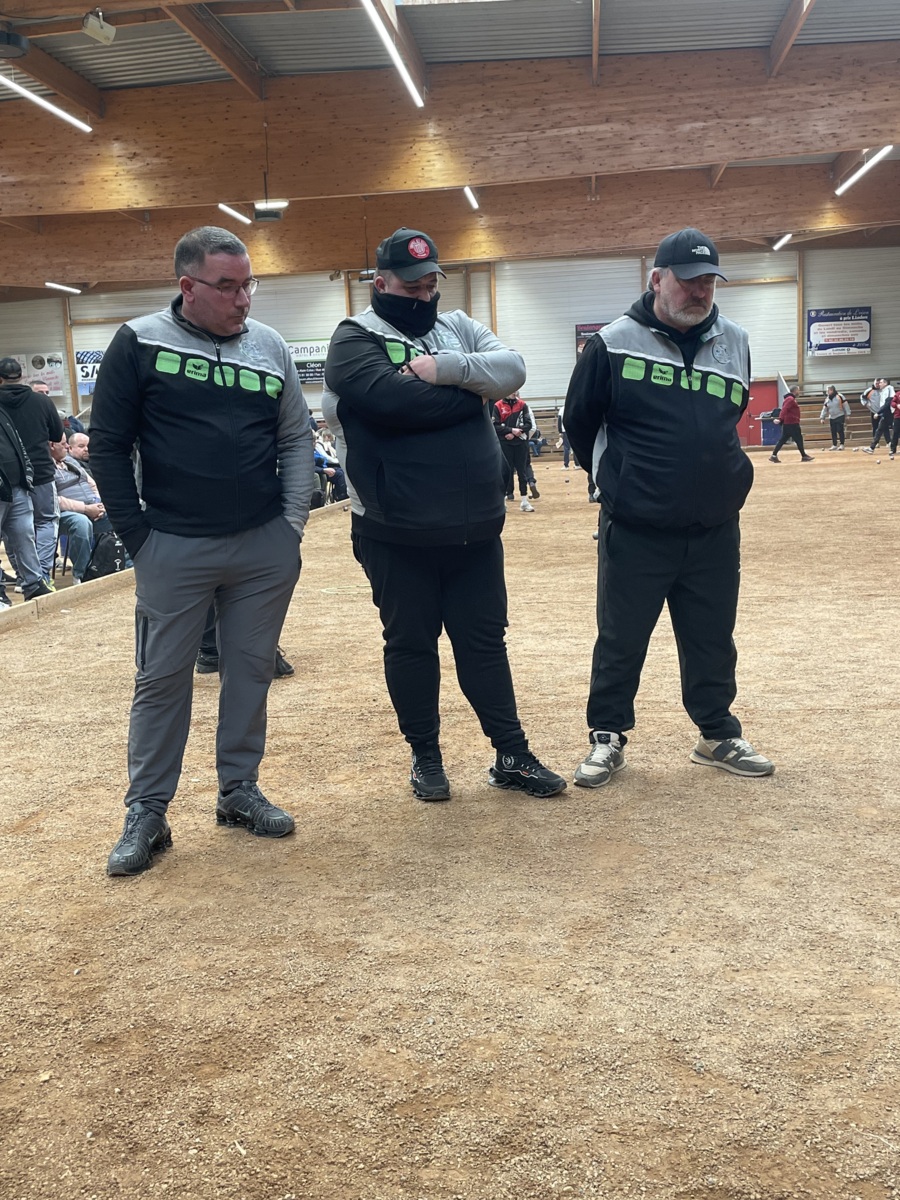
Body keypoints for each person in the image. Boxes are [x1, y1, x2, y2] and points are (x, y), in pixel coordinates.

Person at [89, 225, 315, 877]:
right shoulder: (139, 342)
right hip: (172, 546)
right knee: (161, 680)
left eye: (249, 285)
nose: (243, 299)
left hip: (264, 547)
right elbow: (108, 446)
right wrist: (138, 538)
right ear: (188, 286)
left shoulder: (269, 346)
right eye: (227, 286)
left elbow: (296, 437)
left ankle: (238, 791)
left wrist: (291, 526)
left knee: (250, 670)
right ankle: (147, 812)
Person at [322, 226, 565, 802]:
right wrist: (473, 392)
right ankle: (425, 756)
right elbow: (390, 400)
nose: (424, 294)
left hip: (474, 525)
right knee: (411, 644)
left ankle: (511, 753)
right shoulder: (354, 336)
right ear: (380, 282)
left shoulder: (457, 326)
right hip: (394, 529)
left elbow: (513, 369)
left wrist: (447, 370)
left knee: (484, 642)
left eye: (431, 283)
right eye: (412, 286)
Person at [564, 226, 774, 787]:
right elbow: (579, 421)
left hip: (714, 526)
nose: (699, 291)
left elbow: (728, 418)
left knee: (712, 636)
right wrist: (617, 483)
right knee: (621, 637)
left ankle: (717, 734)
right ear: (657, 279)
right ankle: (607, 737)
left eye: (708, 281)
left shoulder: (735, 340)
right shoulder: (612, 343)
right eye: (688, 280)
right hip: (636, 527)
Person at [0, 357, 64, 580]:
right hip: (41, 471)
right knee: (46, 521)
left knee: (12, 528)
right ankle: (41, 574)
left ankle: (22, 575)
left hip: (9, 476)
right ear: (22, 376)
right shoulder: (42, 402)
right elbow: (57, 434)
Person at [0, 404, 51, 604]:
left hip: (17, 487)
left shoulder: (2, 412)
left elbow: (18, 444)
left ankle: (34, 584)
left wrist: (27, 472)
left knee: (25, 535)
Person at [50, 434, 119, 582]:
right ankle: (80, 575)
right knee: (81, 523)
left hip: (92, 506)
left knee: (120, 512)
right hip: (64, 513)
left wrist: (99, 503)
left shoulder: (71, 461)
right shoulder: (45, 467)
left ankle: (122, 566)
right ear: (51, 446)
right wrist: (86, 508)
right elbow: (54, 500)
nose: (67, 447)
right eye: (63, 444)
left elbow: (92, 484)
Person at [493, 392, 536, 511]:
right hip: (505, 444)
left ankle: (524, 501)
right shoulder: (498, 406)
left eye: (516, 390)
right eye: (512, 390)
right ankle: (502, 501)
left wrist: (516, 432)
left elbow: (528, 424)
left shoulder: (522, 405)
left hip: (520, 443)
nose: (514, 392)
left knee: (522, 472)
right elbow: (495, 426)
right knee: (505, 472)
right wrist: (511, 430)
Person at [769, 385, 813, 463]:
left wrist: (781, 419)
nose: (799, 392)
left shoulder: (789, 399)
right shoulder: (790, 399)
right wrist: (780, 418)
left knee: (783, 440)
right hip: (792, 423)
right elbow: (784, 409)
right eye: (798, 390)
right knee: (799, 439)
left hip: (788, 423)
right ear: (795, 391)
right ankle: (804, 456)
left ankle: (774, 455)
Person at [862, 379, 896, 454]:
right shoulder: (883, 391)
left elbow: (888, 403)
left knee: (895, 430)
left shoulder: (889, 389)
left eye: (880, 382)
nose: (879, 384)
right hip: (885, 413)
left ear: (885, 383)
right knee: (879, 430)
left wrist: (878, 412)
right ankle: (872, 448)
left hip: (890, 413)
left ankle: (891, 447)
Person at [819, 385, 850, 450]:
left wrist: (848, 414)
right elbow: (824, 409)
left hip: (840, 415)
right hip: (832, 417)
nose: (827, 392)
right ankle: (834, 445)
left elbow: (846, 405)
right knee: (833, 431)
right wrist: (822, 417)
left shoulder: (840, 396)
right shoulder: (827, 399)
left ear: (832, 390)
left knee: (840, 430)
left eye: (828, 390)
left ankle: (842, 444)